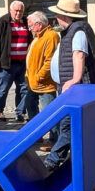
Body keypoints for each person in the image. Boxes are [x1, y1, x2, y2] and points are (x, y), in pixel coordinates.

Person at [45, 0, 95, 170]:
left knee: (68, 124)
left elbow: (79, 54)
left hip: (75, 87)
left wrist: (75, 79)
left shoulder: (77, 31)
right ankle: (74, 160)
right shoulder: (71, 30)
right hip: (68, 85)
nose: (56, 18)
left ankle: (53, 160)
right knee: (69, 124)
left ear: (63, 16)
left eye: (57, 14)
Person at [0, 0, 32, 122]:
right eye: (16, 11)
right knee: (3, 89)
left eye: (21, 11)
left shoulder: (26, 22)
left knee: (24, 88)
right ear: (10, 10)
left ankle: (20, 112)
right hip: (7, 63)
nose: (18, 13)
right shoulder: (3, 22)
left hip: (23, 63)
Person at [24, 11, 60, 150]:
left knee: (49, 113)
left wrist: (39, 77)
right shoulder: (38, 36)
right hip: (33, 82)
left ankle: (54, 140)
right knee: (30, 105)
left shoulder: (51, 36)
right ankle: (37, 135)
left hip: (45, 84)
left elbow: (49, 61)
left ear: (39, 24)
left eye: (31, 26)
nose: (29, 29)